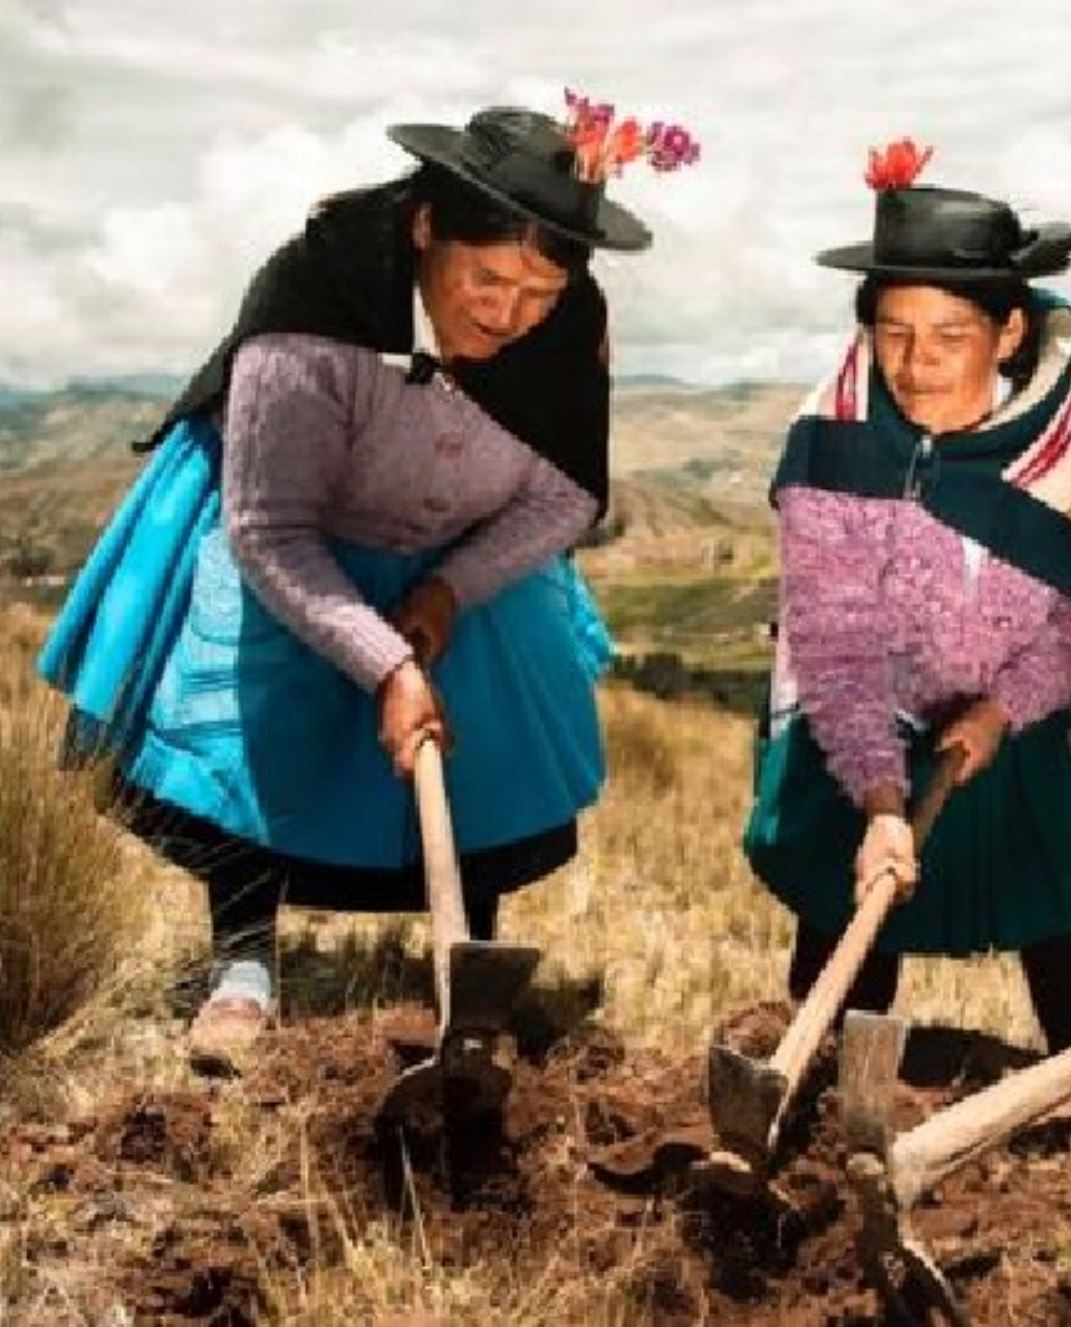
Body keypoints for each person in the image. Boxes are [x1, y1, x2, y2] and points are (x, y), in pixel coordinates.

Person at [39, 97, 699, 1072]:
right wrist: (386, 663)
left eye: (539, 291)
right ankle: (244, 962)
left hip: (464, 547)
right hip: (289, 535)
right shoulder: (313, 307)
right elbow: (269, 527)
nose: (507, 313)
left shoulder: (569, 327)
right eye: (486, 277)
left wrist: (445, 595)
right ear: (428, 227)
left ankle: (463, 958)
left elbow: (565, 499)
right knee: (255, 697)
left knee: (490, 698)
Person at [743, 141, 1071, 1069]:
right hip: (867, 728)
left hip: (1039, 722)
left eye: (949, 335)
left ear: (1008, 333)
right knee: (848, 921)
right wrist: (883, 799)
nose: (917, 361)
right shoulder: (833, 443)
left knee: (1063, 940)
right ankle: (812, 1097)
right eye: (894, 331)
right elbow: (836, 640)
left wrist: (999, 708)